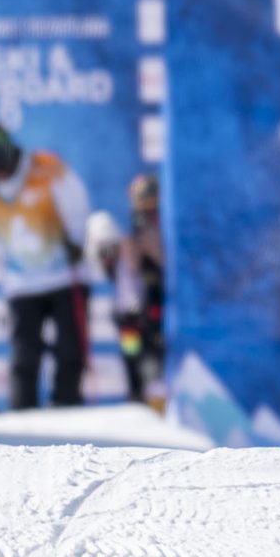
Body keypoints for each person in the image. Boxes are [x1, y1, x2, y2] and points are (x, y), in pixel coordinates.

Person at [0, 118, 91, 411]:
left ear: (2, 147)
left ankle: (68, 410)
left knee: (70, 351)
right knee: (24, 356)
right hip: (22, 283)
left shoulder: (46, 168)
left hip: (64, 276)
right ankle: (22, 422)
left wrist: (76, 241)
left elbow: (77, 206)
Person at [99, 174, 168, 407]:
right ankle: (136, 398)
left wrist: (148, 245)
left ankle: (154, 403)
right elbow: (118, 269)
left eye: (150, 195)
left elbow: (161, 262)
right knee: (131, 355)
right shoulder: (125, 228)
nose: (146, 202)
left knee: (154, 357)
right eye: (142, 196)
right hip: (128, 310)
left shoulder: (163, 226)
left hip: (154, 307)